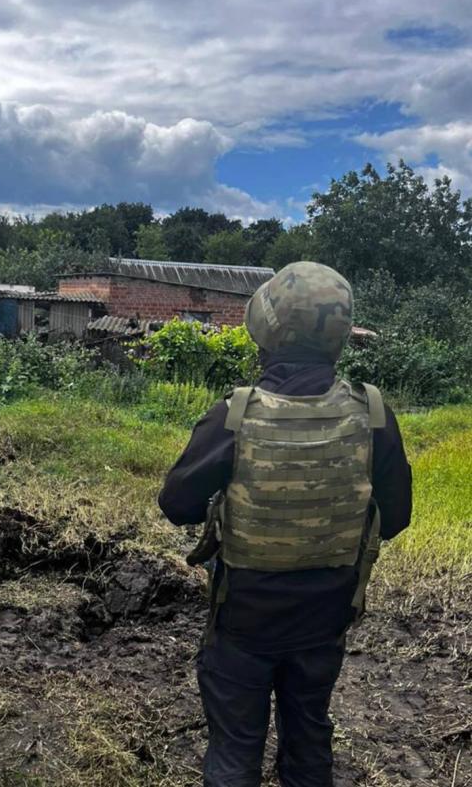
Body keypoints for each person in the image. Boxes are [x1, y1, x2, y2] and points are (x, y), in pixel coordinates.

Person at [158, 261, 412, 787]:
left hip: (244, 620)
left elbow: (177, 504)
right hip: (326, 618)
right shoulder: (373, 414)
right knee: (309, 737)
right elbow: (394, 519)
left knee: (234, 750)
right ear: (340, 336)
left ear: (267, 332)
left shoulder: (235, 415)